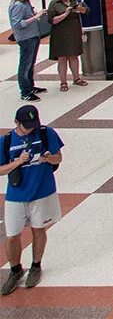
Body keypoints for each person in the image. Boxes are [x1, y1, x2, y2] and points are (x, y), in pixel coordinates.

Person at [0, 106, 64, 296]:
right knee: (12, 235)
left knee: (39, 229)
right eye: (26, 126)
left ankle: (36, 265)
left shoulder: (46, 133)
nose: (30, 128)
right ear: (16, 123)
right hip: (16, 194)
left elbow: (58, 157)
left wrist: (48, 158)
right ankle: (15, 269)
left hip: (42, 191)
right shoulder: (6, 142)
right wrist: (18, 162)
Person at [8, 0, 47, 103]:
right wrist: (35, 17)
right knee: (25, 65)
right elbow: (18, 24)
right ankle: (25, 91)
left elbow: (26, 17)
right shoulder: (18, 5)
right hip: (26, 38)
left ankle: (30, 86)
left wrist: (34, 14)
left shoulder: (25, 2)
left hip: (33, 35)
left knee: (31, 63)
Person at [45, 0, 87, 92]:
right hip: (60, 34)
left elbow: (87, 10)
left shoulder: (75, 0)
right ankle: (63, 82)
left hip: (74, 31)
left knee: (74, 56)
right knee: (62, 58)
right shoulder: (54, 4)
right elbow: (52, 20)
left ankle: (76, 78)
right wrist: (65, 14)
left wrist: (81, 9)